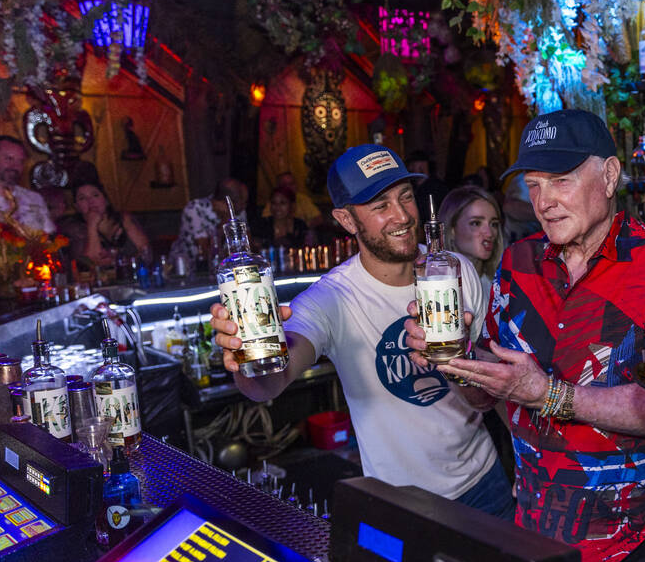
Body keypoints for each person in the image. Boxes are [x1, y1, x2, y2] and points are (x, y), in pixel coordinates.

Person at [406, 109, 645, 562]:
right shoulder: (518, 265)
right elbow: (487, 397)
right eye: (534, 184)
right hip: (539, 532)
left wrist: (547, 394)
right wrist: (454, 364)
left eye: (561, 179)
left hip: (634, 540)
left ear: (610, 175)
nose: (543, 200)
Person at [210, 145, 514, 520]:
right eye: (380, 205)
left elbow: (495, 386)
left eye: (405, 196)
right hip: (401, 503)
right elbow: (268, 384)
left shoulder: (456, 272)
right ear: (347, 220)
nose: (402, 215)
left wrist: (525, 461)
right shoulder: (332, 298)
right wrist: (245, 356)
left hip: (485, 481)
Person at [0, 135, 54, 283]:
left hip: (33, 289)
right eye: (9, 159)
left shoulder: (34, 200)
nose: (15, 166)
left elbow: (49, 244)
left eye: (20, 161)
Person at [58, 182, 151, 268]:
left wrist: (117, 261)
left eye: (95, 195)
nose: (90, 201)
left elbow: (146, 253)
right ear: (77, 206)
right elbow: (89, 263)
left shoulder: (124, 219)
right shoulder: (74, 229)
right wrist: (92, 226)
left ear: (106, 200)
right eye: (82, 198)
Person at [169, 178, 248, 266]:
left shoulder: (239, 211)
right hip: (187, 268)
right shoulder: (195, 209)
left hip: (224, 266)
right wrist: (226, 220)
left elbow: (247, 247)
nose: (244, 207)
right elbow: (206, 252)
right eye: (240, 202)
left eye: (245, 202)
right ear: (226, 202)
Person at [437, 185, 505, 288]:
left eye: (494, 224)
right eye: (476, 223)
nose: (489, 233)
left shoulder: (499, 285)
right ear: (452, 230)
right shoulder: (437, 285)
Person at [406, 151, 449, 222]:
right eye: (410, 165)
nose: (410, 168)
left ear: (423, 165)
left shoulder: (437, 188)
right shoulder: (412, 187)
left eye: (413, 164)